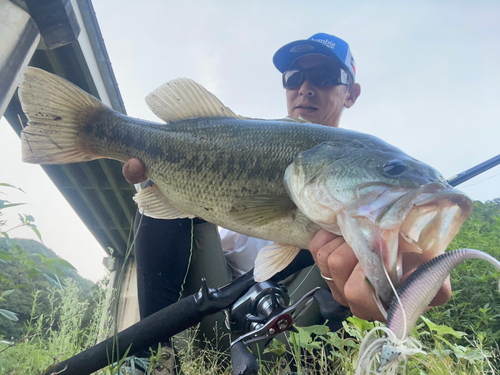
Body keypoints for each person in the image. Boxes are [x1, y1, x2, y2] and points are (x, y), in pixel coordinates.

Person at [122, 33, 452, 372]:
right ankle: (149, 357)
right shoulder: (251, 140)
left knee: (344, 234)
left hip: (287, 332)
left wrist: (418, 267)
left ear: (351, 94)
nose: (306, 87)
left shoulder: (365, 172)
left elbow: (422, 259)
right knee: (161, 183)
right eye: (294, 77)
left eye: (324, 77)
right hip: (216, 310)